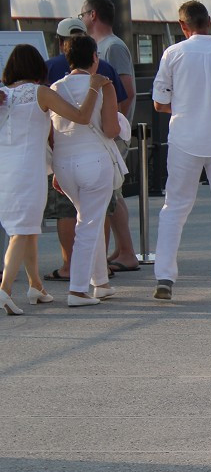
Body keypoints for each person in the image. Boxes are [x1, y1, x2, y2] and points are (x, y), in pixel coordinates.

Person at [0, 45, 104, 315]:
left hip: (4, 170)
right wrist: (94, 86)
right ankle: (5, 289)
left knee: (27, 228)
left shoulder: (3, 95)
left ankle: (36, 286)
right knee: (22, 231)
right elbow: (80, 117)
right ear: (37, 67)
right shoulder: (40, 93)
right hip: (28, 170)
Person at [151, 1, 211, 301]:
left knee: (175, 207)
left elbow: (159, 102)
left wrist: (184, 105)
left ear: (183, 26)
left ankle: (165, 276)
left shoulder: (173, 53)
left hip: (184, 138)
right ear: (209, 22)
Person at [43, 17, 128, 283]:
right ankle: (79, 288)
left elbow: (51, 132)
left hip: (63, 165)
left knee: (83, 216)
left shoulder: (55, 87)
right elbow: (111, 129)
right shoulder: (103, 86)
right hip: (94, 162)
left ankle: (100, 284)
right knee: (90, 223)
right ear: (94, 57)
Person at [79, 0, 140, 272]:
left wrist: (111, 125)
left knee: (113, 193)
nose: (81, 19)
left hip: (111, 133)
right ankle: (122, 249)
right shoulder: (103, 46)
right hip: (107, 131)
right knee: (112, 194)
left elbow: (125, 91)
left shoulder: (112, 47)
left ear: (93, 15)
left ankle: (127, 251)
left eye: (82, 14)